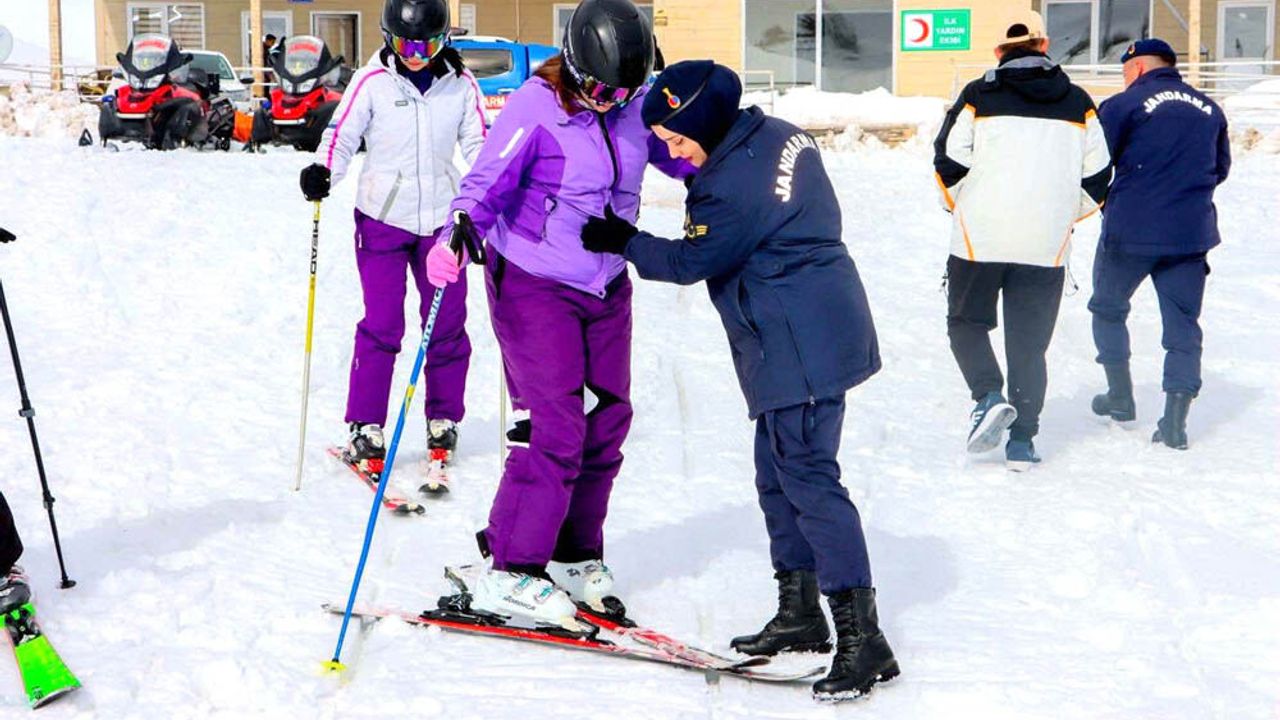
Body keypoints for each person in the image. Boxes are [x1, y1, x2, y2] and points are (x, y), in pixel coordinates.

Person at [579, 60, 898, 702]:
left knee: (809, 479)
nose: (673, 153)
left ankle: (863, 640)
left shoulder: (729, 185)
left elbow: (690, 260)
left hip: (797, 338)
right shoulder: (776, 132)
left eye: (676, 139)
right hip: (810, 323)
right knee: (777, 475)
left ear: (702, 120)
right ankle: (801, 611)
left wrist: (625, 240)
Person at [425, 0, 691, 629]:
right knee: (555, 426)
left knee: (608, 419)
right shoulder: (536, 106)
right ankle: (512, 569)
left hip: (606, 283)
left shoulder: (634, 106)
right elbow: (486, 182)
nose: (610, 101)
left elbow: (686, 155)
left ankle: (573, 554)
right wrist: (457, 231)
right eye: (600, 89)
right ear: (573, 65)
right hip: (533, 282)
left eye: (622, 92)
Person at [298, 0, 487, 471]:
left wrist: (495, 190)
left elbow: (480, 145)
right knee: (383, 324)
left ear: (444, 40)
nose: (416, 56)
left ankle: (443, 417)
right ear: (388, 39)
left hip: (441, 220)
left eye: (427, 46)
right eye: (406, 45)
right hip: (382, 217)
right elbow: (341, 136)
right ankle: (366, 424)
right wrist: (323, 171)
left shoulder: (460, 84)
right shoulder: (372, 82)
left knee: (446, 323)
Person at [932, 10, 1111, 470]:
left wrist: (964, 205)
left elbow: (947, 160)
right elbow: (1098, 176)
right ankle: (1022, 442)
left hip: (979, 240)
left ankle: (988, 395)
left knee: (966, 323)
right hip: (1044, 246)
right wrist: (1060, 216)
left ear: (998, 51)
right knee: (1029, 346)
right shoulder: (1079, 102)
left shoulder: (977, 95)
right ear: (1044, 45)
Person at [1087, 39, 1230, 450]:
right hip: (1189, 234)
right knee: (1183, 325)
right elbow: (1220, 168)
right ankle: (1175, 423)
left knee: (1108, 308)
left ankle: (1119, 397)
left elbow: (1095, 163)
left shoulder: (1123, 105)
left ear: (1136, 68)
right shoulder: (1210, 109)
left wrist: (1108, 200)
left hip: (1130, 231)